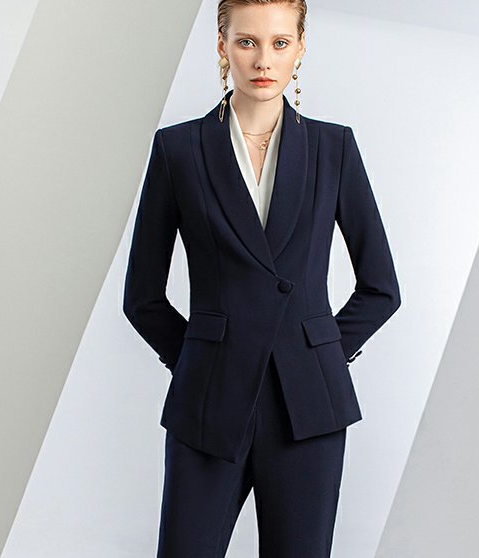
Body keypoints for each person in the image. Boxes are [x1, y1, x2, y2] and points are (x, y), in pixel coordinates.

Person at [123, 1, 401, 556]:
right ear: (222, 45)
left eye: (279, 43)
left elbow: (381, 288)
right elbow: (143, 297)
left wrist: (317, 354)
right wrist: (203, 359)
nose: (263, 60)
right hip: (210, 400)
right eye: (247, 41)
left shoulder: (333, 148)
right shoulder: (178, 149)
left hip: (307, 405)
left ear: (300, 48)